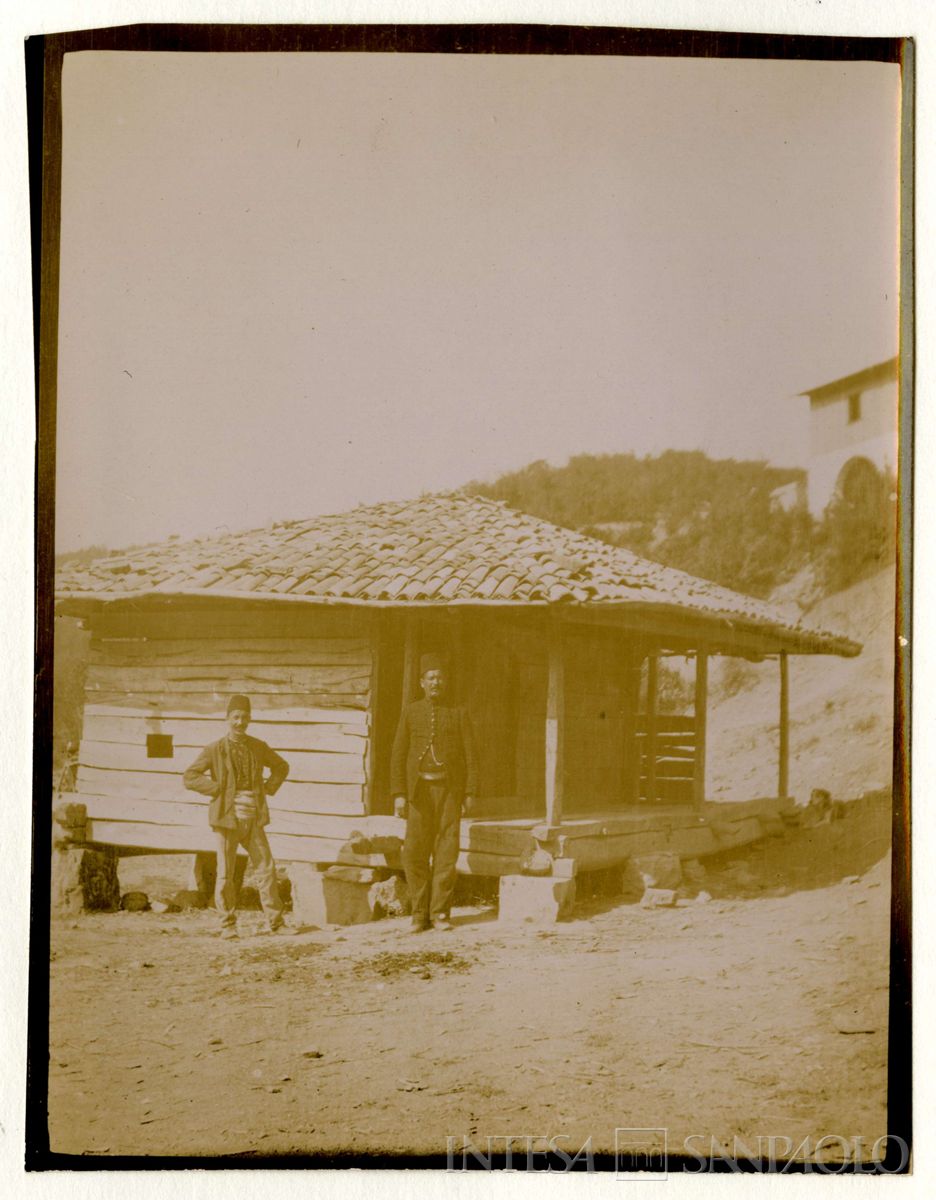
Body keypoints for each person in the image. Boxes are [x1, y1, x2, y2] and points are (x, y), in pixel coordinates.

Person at [183, 694, 292, 939]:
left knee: (266, 869)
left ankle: (276, 923)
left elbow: (281, 766)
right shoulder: (215, 749)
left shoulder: (258, 746)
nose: (240, 722)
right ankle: (227, 925)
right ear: (227, 719)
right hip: (226, 819)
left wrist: (269, 787)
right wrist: (216, 789)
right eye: (235, 717)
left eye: (244, 717)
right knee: (226, 873)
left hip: (253, 818)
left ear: (250, 719)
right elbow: (190, 777)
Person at [390, 655, 477, 933]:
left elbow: (471, 755)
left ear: (445, 681)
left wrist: (470, 791)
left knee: (446, 852)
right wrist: (399, 793)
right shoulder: (411, 711)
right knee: (414, 852)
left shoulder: (458, 712)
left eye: (440, 677)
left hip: (449, 791)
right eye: (431, 678)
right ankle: (419, 915)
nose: (436, 682)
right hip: (419, 792)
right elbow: (398, 754)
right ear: (422, 682)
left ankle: (439, 913)